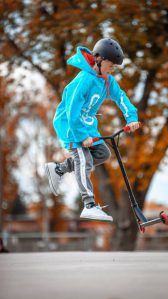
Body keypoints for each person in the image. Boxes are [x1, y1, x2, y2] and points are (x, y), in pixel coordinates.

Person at [45, 38, 140, 222]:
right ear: (98, 59)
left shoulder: (106, 81)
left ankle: (59, 169)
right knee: (84, 159)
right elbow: (72, 111)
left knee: (103, 153)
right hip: (70, 125)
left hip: (87, 125)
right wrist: (81, 136)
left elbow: (120, 97)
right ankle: (89, 204)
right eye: (110, 65)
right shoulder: (84, 80)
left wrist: (132, 118)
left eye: (114, 67)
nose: (111, 70)